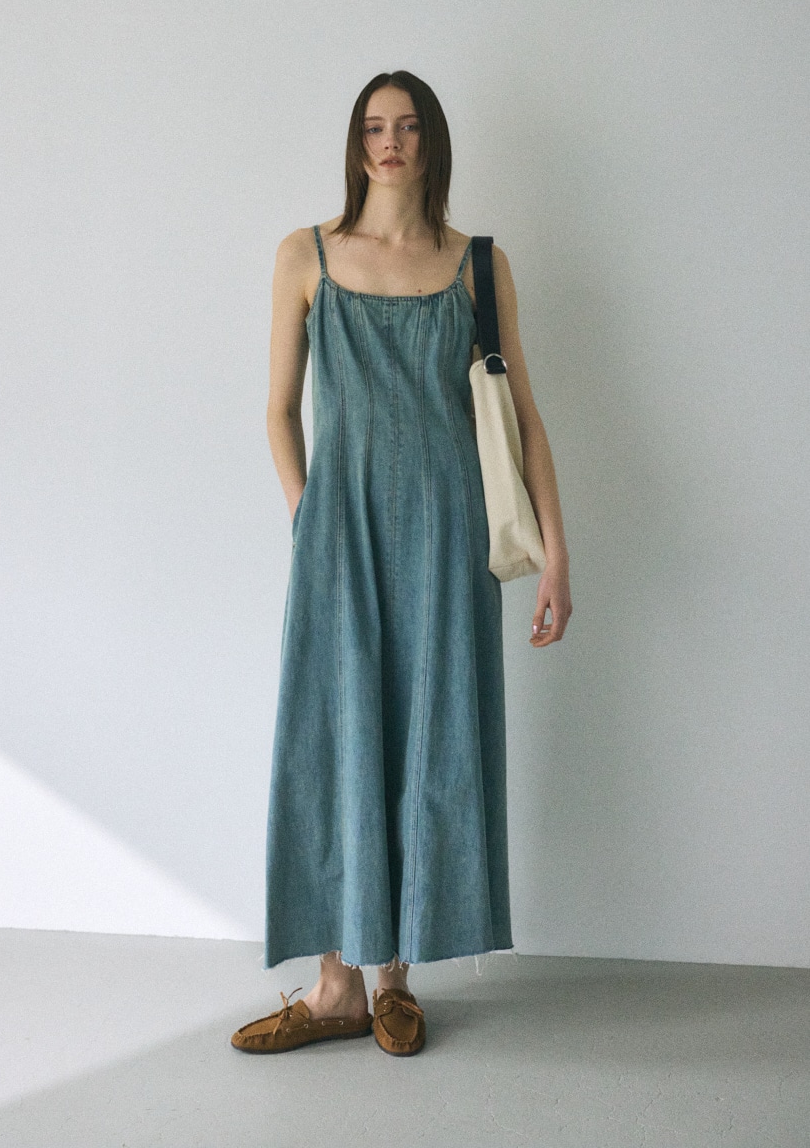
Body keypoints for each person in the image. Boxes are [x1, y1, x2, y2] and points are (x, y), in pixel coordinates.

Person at [231, 70, 572, 1057]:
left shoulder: (477, 267)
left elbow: (522, 417)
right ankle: (335, 982)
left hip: (448, 540)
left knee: (430, 738)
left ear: (432, 144)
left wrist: (556, 555)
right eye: (375, 126)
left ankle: (393, 978)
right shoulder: (305, 254)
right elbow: (276, 411)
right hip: (338, 538)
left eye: (409, 126)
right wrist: (308, 518)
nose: (390, 141)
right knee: (335, 736)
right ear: (356, 143)